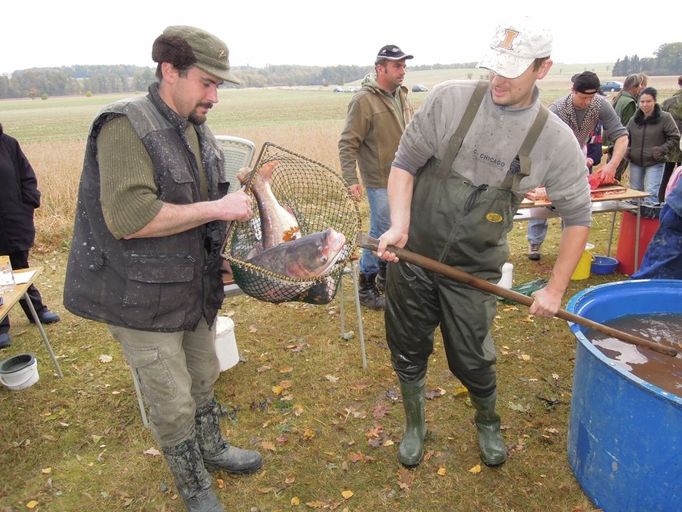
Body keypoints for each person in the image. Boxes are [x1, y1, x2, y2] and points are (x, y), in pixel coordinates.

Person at [375, 19, 591, 469]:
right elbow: (404, 163)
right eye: (494, 66)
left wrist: (553, 288)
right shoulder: (449, 100)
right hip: (413, 256)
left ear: (543, 68)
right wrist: (398, 224)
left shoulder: (555, 140)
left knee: (472, 357)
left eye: (513, 70)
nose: (498, 79)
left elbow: (577, 218)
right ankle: (415, 423)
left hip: (473, 271)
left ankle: (487, 419)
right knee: (407, 345)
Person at [63, 26, 261, 512]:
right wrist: (219, 209)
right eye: (207, 82)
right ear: (169, 71)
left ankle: (211, 448)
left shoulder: (194, 125)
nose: (214, 96)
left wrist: (239, 204)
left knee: (203, 374)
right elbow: (130, 219)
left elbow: (202, 201)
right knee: (171, 402)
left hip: (191, 288)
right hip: (138, 298)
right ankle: (193, 484)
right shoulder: (125, 126)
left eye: (219, 85)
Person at [338, 44, 414, 309]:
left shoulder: (402, 95)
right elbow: (347, 143)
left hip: (405, 177)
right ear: (380, 68)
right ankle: (366, 285)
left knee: (400, 229)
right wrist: (350, 179)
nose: (402, 71)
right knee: (380, 232)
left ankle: (385, 278)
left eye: (404, 65)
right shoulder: (363, 101)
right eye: (397, 66)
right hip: (380, 180)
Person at [526, 71, 628, 261]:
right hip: (551, 153)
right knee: (541, 202)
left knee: (574, 202)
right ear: (573, 91)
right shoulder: (557, 109)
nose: (587, 102)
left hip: (578, 150)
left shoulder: (600, 104)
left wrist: (612, 165)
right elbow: (543, 146)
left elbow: (621, 136)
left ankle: (569, 247)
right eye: (583, 97)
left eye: (592, 97)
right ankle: (535, 242)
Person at [0, 122, 60, 349]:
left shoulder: (8, 144)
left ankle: (36, 311)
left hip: (15, 221)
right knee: (0, 274)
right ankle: (1, 325)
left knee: (20, 268)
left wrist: (28, 204)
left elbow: (27, 177)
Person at [626, 86, 680, 204]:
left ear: (655, 101)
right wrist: (628, 149)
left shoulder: (665, 118)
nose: (645, 104)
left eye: (649, 101)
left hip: (655, 161)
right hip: (635, 161)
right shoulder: (633, 120)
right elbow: (626, 136)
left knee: (651, 193)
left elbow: (675, 136)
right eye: (642, 101)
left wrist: (662, 149)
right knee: (635, 193)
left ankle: (650, 220)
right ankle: (636, 221)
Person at [609, 73, 645, 180]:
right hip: (622, 142)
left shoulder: (620, 98)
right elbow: (629, 126)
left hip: (614, 140)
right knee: (615, 175)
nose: (641, 88)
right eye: (640, 85)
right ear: (634, 87)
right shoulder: (630, 103)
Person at [659, 75, 682, 202]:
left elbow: (659, 122)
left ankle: (660, 202)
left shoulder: (668, 102)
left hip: (669, 144)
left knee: (666, 176)